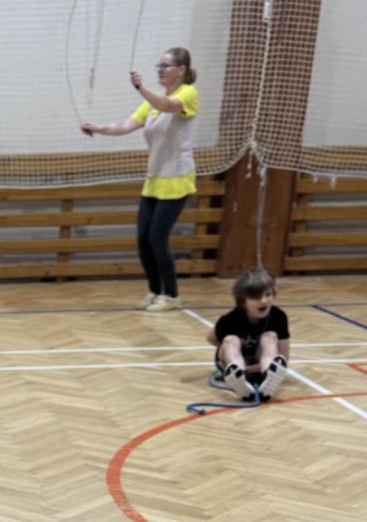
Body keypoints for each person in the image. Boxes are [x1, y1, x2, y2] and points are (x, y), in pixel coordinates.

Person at [81, 47, 199, 312]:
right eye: (159, 65)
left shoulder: (188, 94)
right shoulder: (151, 104)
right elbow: (125, 126)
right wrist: (99, 128)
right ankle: (155, 291)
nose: (161, 70)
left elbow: (167, 105)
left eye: (166, 66)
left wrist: (141, 87)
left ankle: (172, 295)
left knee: (157, 238)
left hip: (177, 180)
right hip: (155, 180)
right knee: (143, 239)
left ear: (181, 70)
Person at [205, 268, 290, 402]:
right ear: (243, 301)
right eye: (256, 297)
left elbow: (283, 358)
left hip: (259, 365)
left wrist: (252, 368)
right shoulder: (229, 319)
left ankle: (268, 376)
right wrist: (228, 352)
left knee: (270, 337)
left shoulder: (278, 317)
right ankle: (239, 376)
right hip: (232, 363)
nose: (264, 301)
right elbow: (211, 338)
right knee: (231, 340)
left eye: (268, 295)